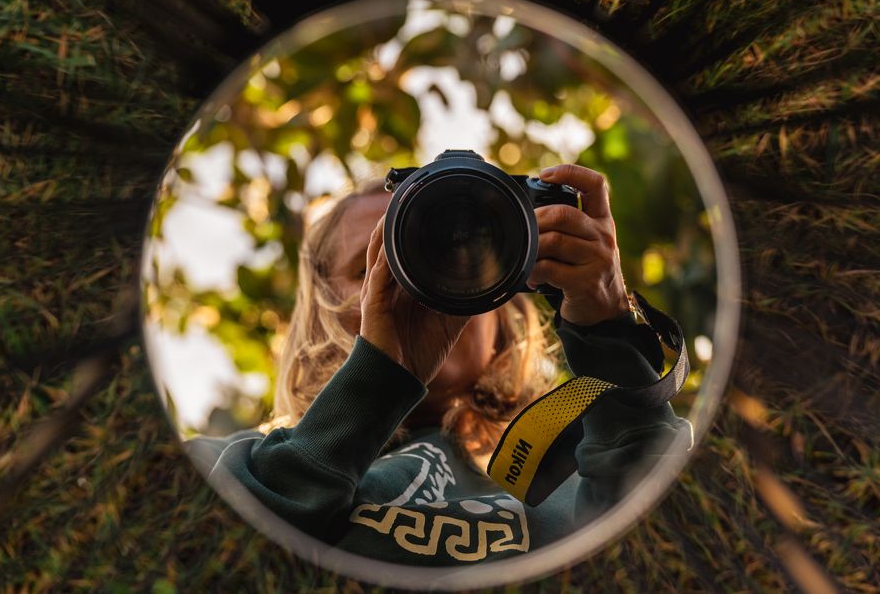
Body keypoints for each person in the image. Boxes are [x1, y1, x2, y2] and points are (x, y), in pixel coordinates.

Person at [186, 163, 693, 566]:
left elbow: (687, 556)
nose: (416, 282)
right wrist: (375, 383)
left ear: (507, 308)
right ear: (319, 311)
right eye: (378, 263)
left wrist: (609, 335)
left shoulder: (594, 467)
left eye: (459, 254)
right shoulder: (221, 467)